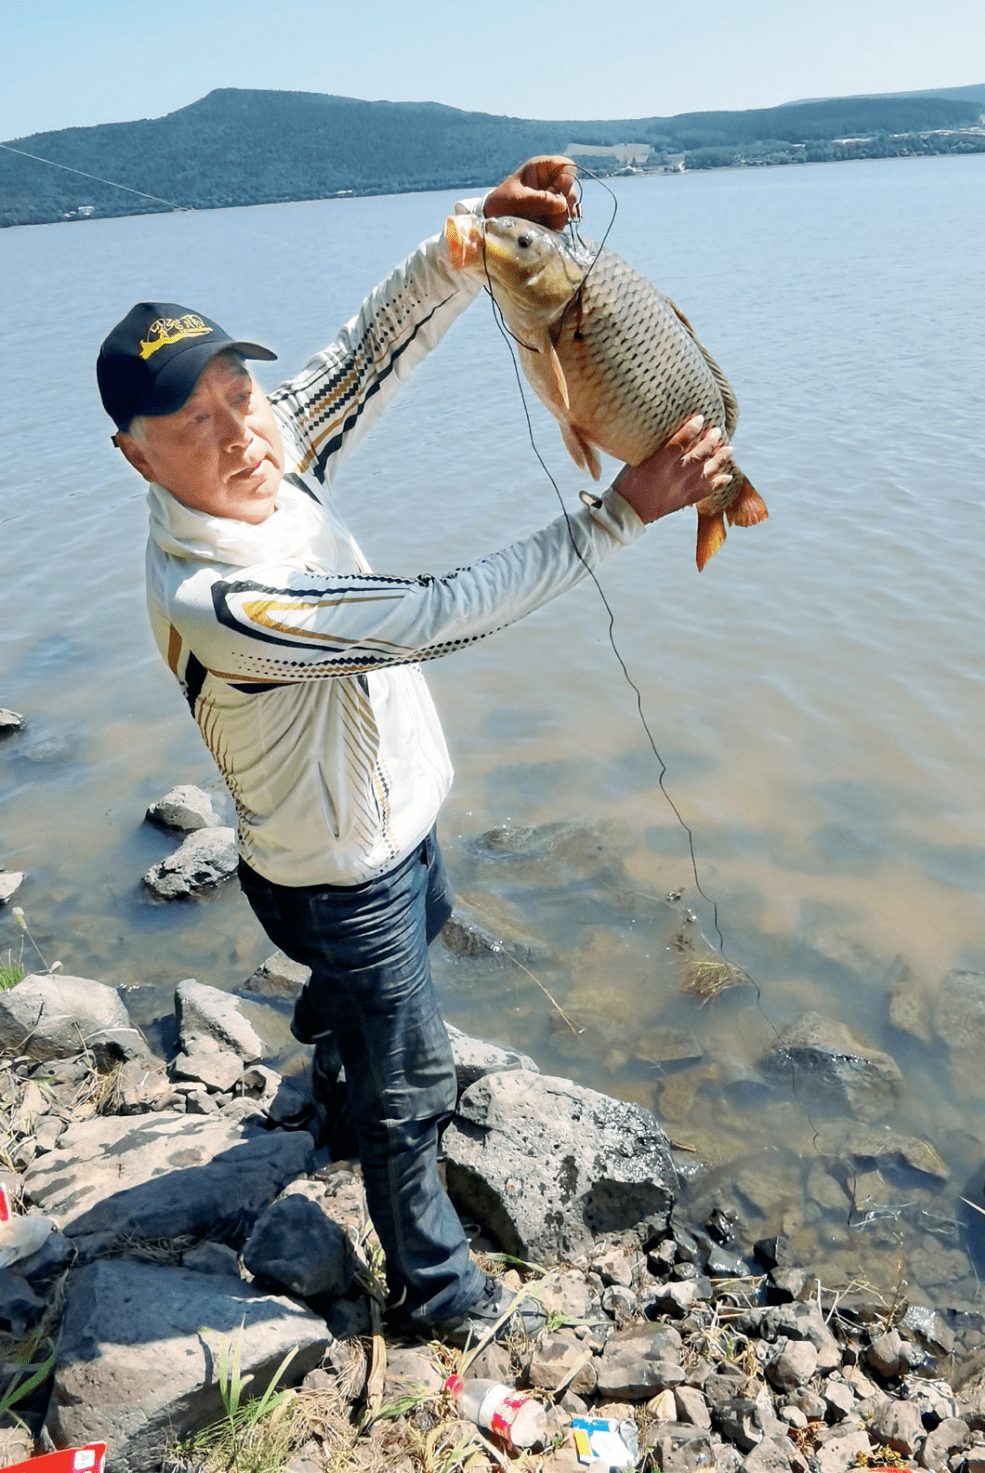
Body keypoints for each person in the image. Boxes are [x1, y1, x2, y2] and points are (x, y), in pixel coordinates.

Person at [96, 156, 733, 1346]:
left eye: (240, 393)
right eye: (193, 423)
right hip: (339, 875)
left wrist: (470, 242)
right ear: (136, 455)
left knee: (410, 951)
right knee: (413, 1093)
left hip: (392, 828)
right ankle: (441, 1298)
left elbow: (369, 345)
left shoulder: (269, 462)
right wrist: (624, 510)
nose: (240, 431)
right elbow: (439, 611)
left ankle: (335, 1050)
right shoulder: (221, 598)